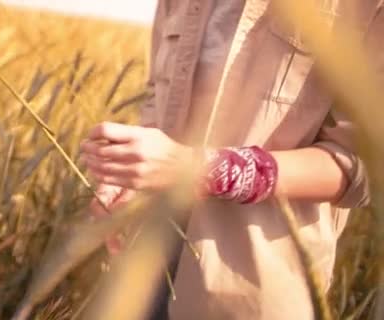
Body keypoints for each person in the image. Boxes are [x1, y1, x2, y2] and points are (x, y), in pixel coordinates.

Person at [80, 0, 381, 319]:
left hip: (250, 291)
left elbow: (361, 168)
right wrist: (129, 177)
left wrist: (198, 171)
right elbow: (159, 97)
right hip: (145, 267)